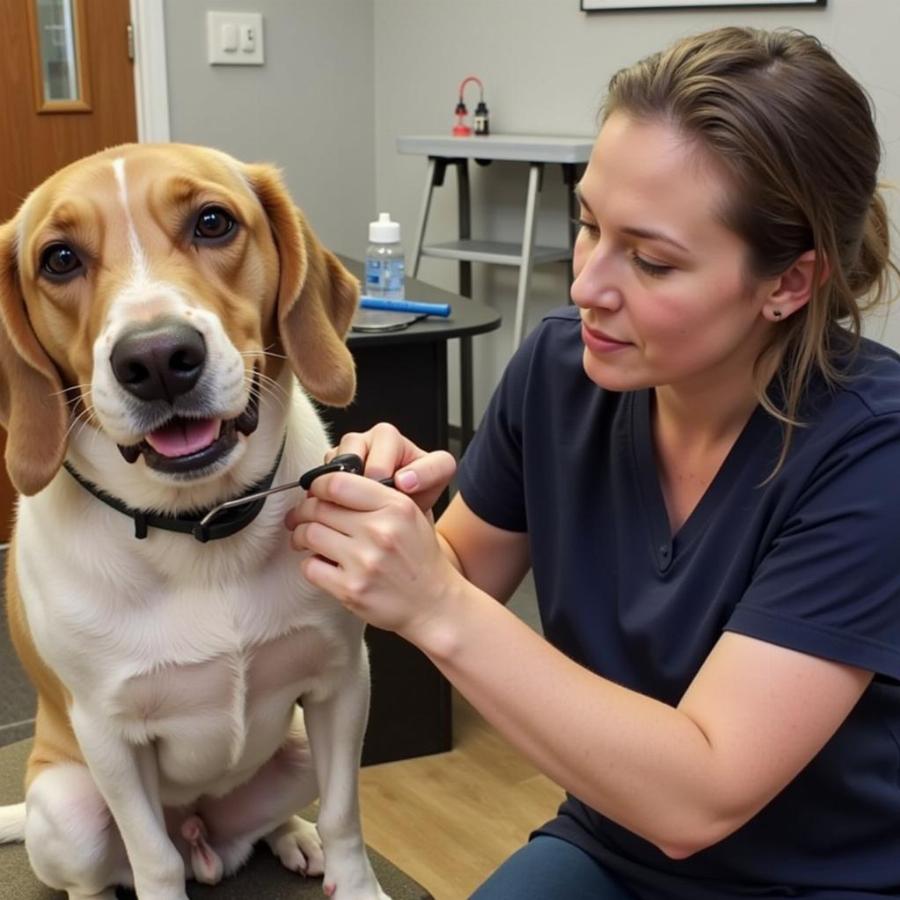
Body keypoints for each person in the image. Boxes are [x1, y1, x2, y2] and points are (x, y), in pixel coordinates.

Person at [286, 26, 900, 899]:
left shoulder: (871, 451)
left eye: (650, 260)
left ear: (789, 284)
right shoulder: (560, 371)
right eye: (587, 226)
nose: (586, 286)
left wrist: (432, 597)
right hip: (616, 842)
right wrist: (388, 520)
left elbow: (701, 796)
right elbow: (460, 575)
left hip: (820, 878)